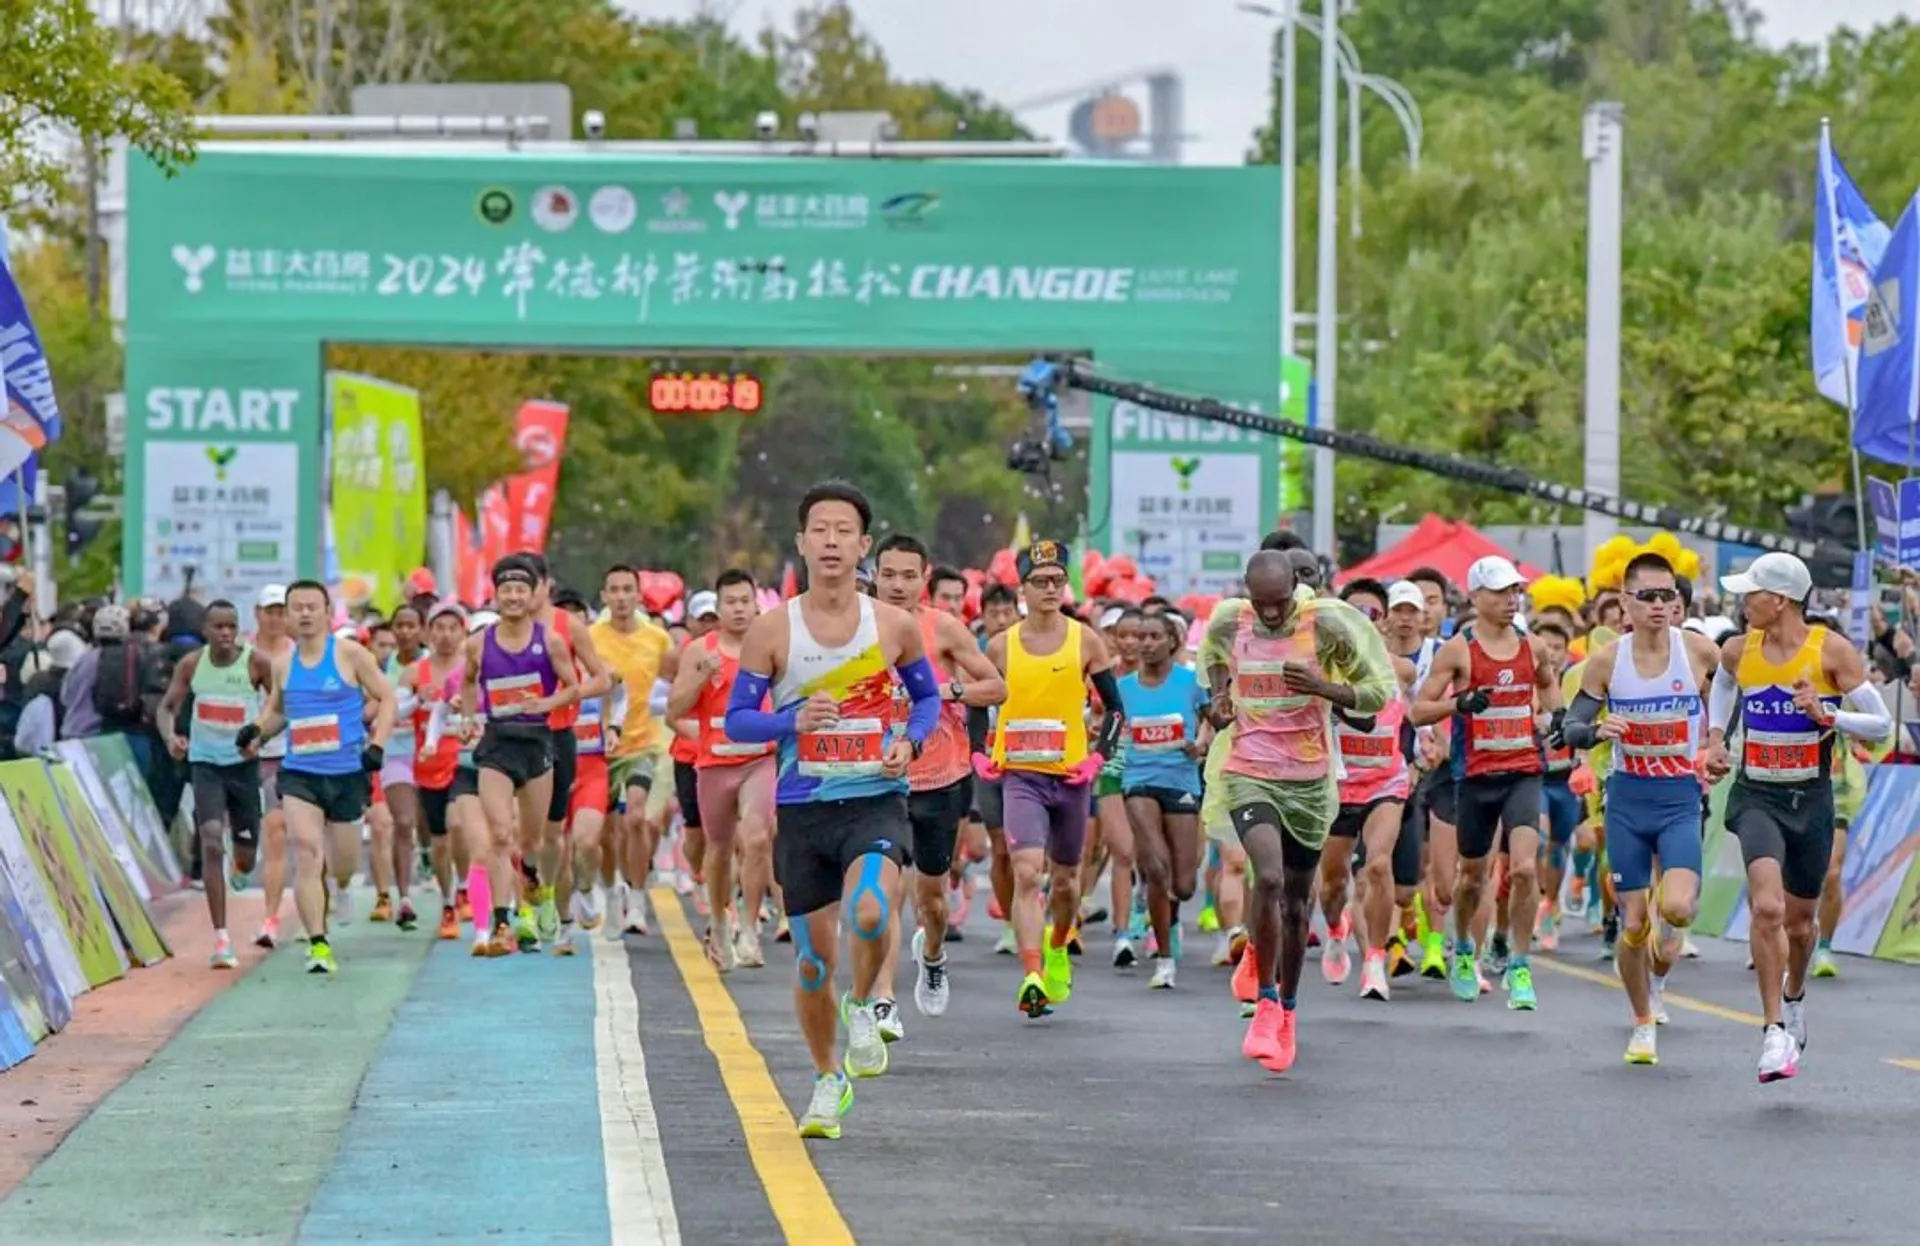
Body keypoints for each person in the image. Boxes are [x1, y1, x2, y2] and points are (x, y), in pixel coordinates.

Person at [723, 481, 944, 1141]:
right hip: (804, 808)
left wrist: (912, 739)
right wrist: (790, 722)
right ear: (801, 542)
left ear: (863, 545)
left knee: (871, 909)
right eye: (818, 529)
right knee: (812, 962)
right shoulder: (772, 629)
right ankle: (827, 1079)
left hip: (875, 798)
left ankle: (862, 1003)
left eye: (843, 530)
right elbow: (737, 722)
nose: (830, 541)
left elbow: (927, 701)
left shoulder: (893, 626)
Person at [1702, 552, 1892, 1082]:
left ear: (1779, 600)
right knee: (1766, 908)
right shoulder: (1739, 650)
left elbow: (1881, 726)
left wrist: (1827, 714)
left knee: (1800, 925)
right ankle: (1772, 1033)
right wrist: (1716, 737)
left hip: (1810, 799)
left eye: (1751, 594)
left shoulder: (1831, 652)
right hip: (1756, 794)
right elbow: (1722, 685)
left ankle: (1794, 997)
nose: (1743, 604)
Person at [1203, 552, 1394, 1072]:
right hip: (1249, 771)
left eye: (1279, 603)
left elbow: (1378, 693)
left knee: (1295, 902)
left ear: (1296, 589)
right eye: (1260, 603)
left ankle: (1288, 1010)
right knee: (1265, 878)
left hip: (1309, 782)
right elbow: (1216, 658)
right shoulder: (1230, 619)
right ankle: (1264, 1002)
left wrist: (1323, 689)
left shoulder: (1326, 623)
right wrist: (1220, 698)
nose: (1269, 614)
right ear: (1246, 592)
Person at [1561, 552, 1720, 1065]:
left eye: (1667, 595)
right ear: (1625, 603)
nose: (1658, 605)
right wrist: (1593, 731)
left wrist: (1717, 747)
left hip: (1678, 798)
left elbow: (1730, 703)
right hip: (1627, 799)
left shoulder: (1698, 652)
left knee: (1675, 910)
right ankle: (1642, 1021)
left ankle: (1660, 969)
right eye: (1647, 596)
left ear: (1678, 602)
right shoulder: (1608, 661)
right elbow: (1571, 727)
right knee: (1633, 922)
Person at [1410, 556, 1563, 1010]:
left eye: (1515, 591)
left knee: (1522, 869)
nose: (1510, 599)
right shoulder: (1458, 650)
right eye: (1499, 591)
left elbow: (1551, 691)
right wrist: (1460, 704)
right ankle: (1461, 948)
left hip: (1522, 772)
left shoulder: (1532, 646)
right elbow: (1418, 710)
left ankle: (1518, 963)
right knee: (1472, 878)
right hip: (1475, 777)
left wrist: (1554, 721)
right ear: (1475, 597)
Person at [980, 539, 1123, 1020]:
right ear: (1022, 589)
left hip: (1070, 779)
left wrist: (1097, 758)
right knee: (1026, 871)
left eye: (1057, 581)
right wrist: (983, 753)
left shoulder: (1086, 640)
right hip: (1021, 775)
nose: (1049, 589)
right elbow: (977, 703)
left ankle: (1059, 943)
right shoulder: (1000, 645)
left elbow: (1116, 710)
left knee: (1065, 884)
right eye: (1039, 582)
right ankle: (1032, 973)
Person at [870, 534, 1006, 1022]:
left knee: (931, 899)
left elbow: (997, 687)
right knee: (885, 891)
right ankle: (883, 999)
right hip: (880, 780)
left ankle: (932, 957)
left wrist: (948, 690)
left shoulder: (944, 630)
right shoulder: (856, 629)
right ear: (875, 576)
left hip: (941, 779)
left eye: (909, 575)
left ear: (924, 578)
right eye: (889, 574)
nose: (899, 584)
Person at [236, 582, 394, 974]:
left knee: (343, 862)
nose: (304, 614)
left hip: (346, 772)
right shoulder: (283, 664)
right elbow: (278, 711)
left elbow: (387, 697)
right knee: (306, 850)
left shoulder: (350, 654)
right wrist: (256, 731)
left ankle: (341, 886)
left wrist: (378, 744)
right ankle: (318, 944)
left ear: (327, 612)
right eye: (297, 608)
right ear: (288, 616)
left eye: (312, 607)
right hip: (300, 773)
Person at [461, 560, 579, 955]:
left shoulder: (550, 641)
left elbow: (573, 687)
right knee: (499, 834)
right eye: (506, 590)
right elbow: (467, 681)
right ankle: (500, 923)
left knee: (532, 839)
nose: (512, 597)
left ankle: (534, 885)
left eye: (520, 590)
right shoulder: (478, 643)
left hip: (537, 742)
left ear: (532, 596)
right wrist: (466, 715)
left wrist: (546, 702)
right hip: (497, 744)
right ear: (496, 596)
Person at [667, 572, 776, 972]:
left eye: (745, 601)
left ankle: (749, 928)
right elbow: (674, 710)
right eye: (731, 602)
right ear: (719, 607)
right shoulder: (699, 649)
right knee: (719, 849)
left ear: (756, 605)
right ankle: (718, 920)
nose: (739, 608)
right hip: (714, 763)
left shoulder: (770, 648)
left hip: (759, 759)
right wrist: (700, 676)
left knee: (758, 838)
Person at [157, 600, 273, 969]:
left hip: (243, 767)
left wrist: (261, 736)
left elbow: (280, 707)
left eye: (231, 626)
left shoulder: (256, 663)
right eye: (218, 627)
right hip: (206, 765)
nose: (225, 633)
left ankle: (241, 864)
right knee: (209, 840)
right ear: (206, 630)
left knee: (246, 854)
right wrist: (170, 737)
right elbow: (166, 708)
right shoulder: (192, 665)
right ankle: (221, 939)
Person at [1116, 610, 1210, 989]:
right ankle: (1165, 962)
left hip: (1182, 779)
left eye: (1155, 636)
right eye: (1141, 636)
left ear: (1172, 641)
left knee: (1183, 883)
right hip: (1138, 779)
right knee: (1156, 867)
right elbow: (1106, 727)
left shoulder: (1191, 683)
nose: (1146, 643)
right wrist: (1101, 739)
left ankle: (1163, 915)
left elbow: (1211, 721)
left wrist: (1201, 742)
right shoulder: (1123, 687)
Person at [591, 564, 677, 936]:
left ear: (639, 596)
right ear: (604, 597)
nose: (622, 597)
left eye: (629, 589)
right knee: (607, 834)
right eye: (615, 590)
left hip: (643, 743)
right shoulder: (590, 637)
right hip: (598, 748)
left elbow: (679, 680)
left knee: (637, 818)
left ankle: (637, 900)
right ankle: (612, 894)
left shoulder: (657, 639)